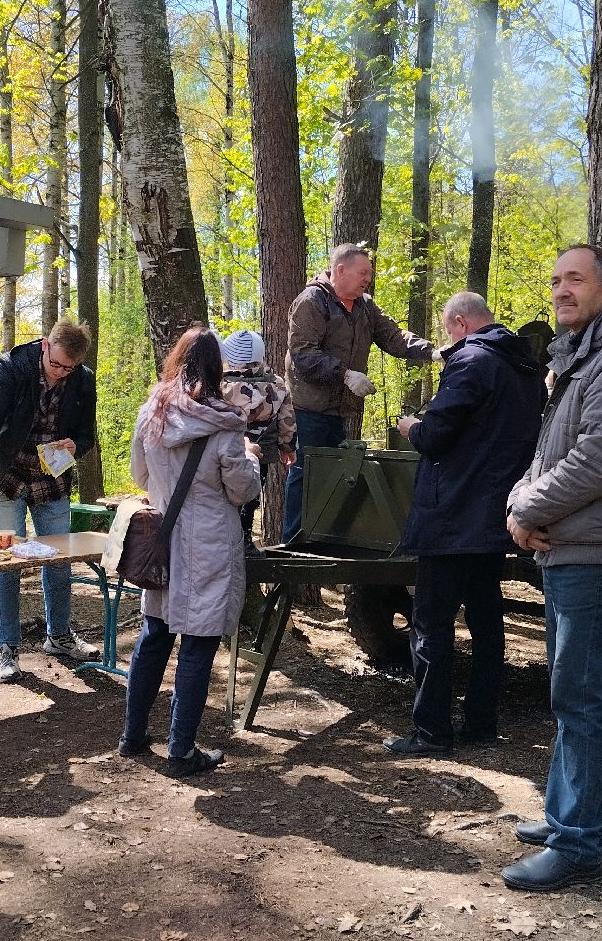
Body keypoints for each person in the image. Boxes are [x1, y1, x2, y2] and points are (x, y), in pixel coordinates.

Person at [500, 244, 602, 893]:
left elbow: (598, 460)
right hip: (572, 548)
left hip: (597, 554)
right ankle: (583, 822)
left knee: (578, 698)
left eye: (577, 279)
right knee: (575, 697)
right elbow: (552, 454)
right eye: (556, 278)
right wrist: (522, 502)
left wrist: (522, 511)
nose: (562, 289)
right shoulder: (580, 357)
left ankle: (576, 848)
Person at [382, 293, 545, 758]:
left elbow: (436, 436)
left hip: (452, 516)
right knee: (487, 621)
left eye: (448, 331)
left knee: (431, 624)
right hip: (496, 516)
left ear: (459, 323)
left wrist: (411, 425)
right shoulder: (525, 368)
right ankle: (480, 722)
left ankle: (432, 731)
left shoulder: (470, 362)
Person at [119, 327, 262, 778]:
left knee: (154, 636)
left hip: (164, 541)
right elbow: (242, 490)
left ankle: (133, 735)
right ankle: (181, 751)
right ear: (218, 370)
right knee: (198, 646)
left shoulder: (152, 414)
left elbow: (140, 477)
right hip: (210, 546)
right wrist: (252, 457)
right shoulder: (224, 424)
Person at [0, 319, 100, 683]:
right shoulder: (10, 368)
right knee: (7, 560)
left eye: (68, 368)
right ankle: (7, 647)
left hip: (52, 478)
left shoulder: (83, 380)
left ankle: (58, 636)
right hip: (6, 474)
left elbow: (87, 435)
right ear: (44, 345)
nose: (60, 374)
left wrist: (77, 446)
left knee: (59, 560)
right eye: (55, 364)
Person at [283, 244, 440, 542]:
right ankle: (293, 541)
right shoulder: (312, 301)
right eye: (363, 272)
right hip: (309, 410)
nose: (368, 278)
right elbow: (302, 354)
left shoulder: (365, 305)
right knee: (307, 473)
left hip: (341, 410)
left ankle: (324, 537)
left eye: (369, 273)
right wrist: (345, 374)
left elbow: (394, 337)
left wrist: (433, 352)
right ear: (340, 270)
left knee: (336, 477)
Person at [219, 329, 297, 555]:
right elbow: (287, 419)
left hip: (227, 452)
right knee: (251, 495)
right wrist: (287, 448)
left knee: (225, 496)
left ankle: (226, 540)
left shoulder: (221, 386)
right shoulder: (277, 384)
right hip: (263, 451)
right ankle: (244, 539)